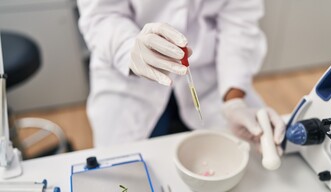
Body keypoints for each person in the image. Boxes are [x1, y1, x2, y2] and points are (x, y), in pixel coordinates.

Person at [77, 0, 285, 151]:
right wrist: (129, 48)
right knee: (124, 171)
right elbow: (101, 15)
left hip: (210, 81)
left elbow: (239, 27)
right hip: (129, 83)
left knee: (239, 153)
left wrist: (234, 101)